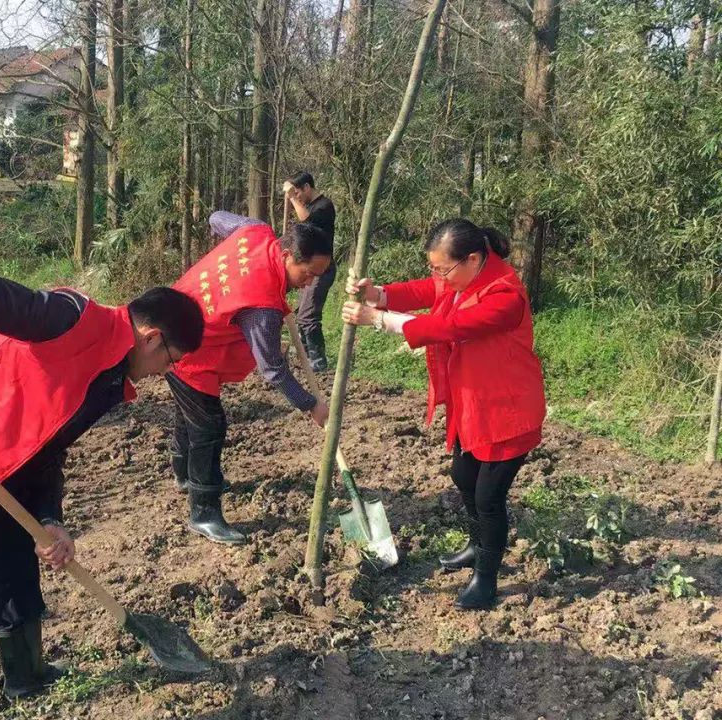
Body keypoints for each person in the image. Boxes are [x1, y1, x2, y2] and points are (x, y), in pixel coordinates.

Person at [0, 270, 204, 719]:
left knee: (20, 570)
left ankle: (27, 675)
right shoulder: (72, 319)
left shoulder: (111, 378)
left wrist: (49, 518)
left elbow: (50, 447)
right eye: (172, 360)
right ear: (153, 338)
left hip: (6, 460)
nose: (165, 372)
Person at [341, 218, 546, 610]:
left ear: (472, 259)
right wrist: (379, 293)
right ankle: (476, 544)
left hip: (508, 411)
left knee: (488, 497)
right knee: (462, 474)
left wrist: (379, 319)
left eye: (443, 268)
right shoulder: (462, 277)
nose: (438, 276)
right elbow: (424, 289)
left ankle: (486, 578)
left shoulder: (504, 295)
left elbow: (450, 327)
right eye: (434, 267)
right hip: (473, 405)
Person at [169, 215, 333, 545]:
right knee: (209, 426)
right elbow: (272, 370)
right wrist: (310, 403)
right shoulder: (261, 305)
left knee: (191, 411)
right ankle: (204, 512)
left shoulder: (256, 231)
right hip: (187, 350)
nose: (310, 283)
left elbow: (217, 218)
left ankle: (184, 472)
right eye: (308, 273)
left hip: (174, 316)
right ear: (288, 255)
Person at [284, 172, 337, 371]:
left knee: (308, 315)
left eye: (298, 192)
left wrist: (291, 198)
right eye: (294, 194)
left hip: (321, 268)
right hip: (309, 266)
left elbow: (307, 222)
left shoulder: (324, 206)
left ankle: (318, 363)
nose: (297, 197)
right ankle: (306, 357)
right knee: (302, 314)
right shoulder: (313, 206)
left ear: (307, 187)